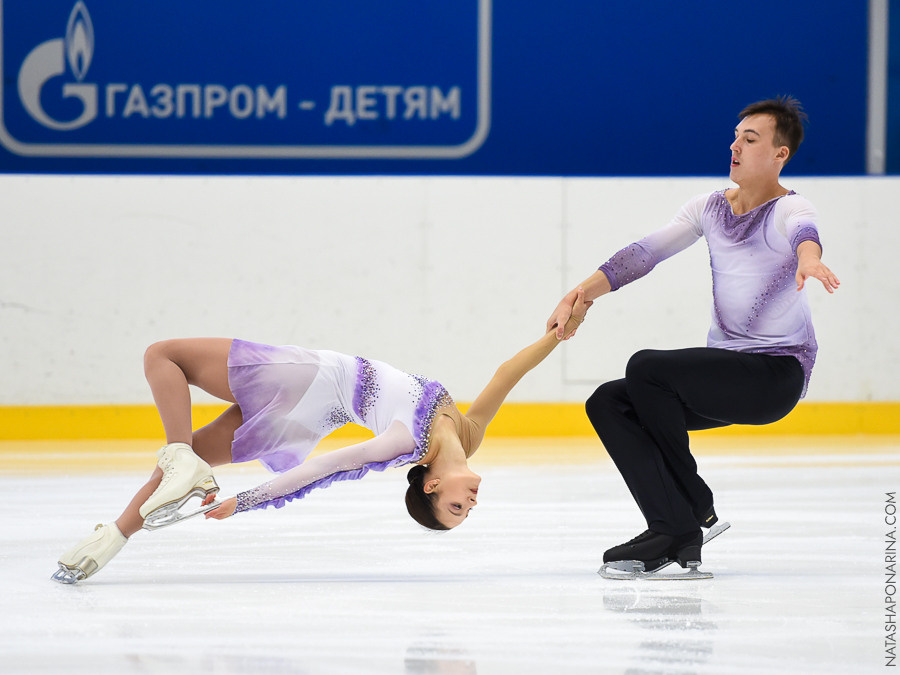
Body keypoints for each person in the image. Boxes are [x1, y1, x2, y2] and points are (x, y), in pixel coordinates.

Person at [52, 291, 591, 583]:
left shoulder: (402, 445)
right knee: (185, 457)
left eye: (455, 510)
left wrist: (244, 503)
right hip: (304, 419)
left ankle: (176, 466)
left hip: (309, 378)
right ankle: (113, 539)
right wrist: (555, 335)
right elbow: (506, 374)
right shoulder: (468, 437)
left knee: (161, 356)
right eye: (465, 512)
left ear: (430, 487)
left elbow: (319, 471)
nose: (468, 506)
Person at [547, 96, 840, 574]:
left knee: (647, 367)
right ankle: (672, 529)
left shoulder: (790, 208)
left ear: (780, 154)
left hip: (774, 375)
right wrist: (579, 294)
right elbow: (643, 254)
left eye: (751, 138)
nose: (735, 145)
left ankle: (696, 504)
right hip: (724, 374)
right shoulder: (709, 208)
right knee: (608, 403)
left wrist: (809, 259)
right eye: (736, 136)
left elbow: (804, 232)